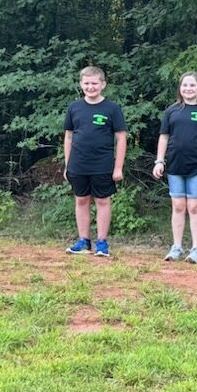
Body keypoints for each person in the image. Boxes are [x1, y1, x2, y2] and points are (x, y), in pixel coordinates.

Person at [152, 72, 197, 264]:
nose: (188, 89)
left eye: (192, 85)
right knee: (178, 206)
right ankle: (176, 247)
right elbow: (164, 137)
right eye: (185, 85)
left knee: (194, 207)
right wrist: (159, 161)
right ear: (180, 88)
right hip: (174, 167)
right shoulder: (171, 111)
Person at [63, 65, 127, 257]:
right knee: (81, 200)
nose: (90, 87)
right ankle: (83, 241)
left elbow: (121, 138)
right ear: (81, 84)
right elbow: (68, 137)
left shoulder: (112, 108)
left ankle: (101, 242)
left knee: (102, 201)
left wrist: (118, 167)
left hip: (103, 164)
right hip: (78, 164)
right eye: (86, 83)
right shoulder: (74, 107)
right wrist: (68, 165)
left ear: (103, 84)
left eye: (94, 83)